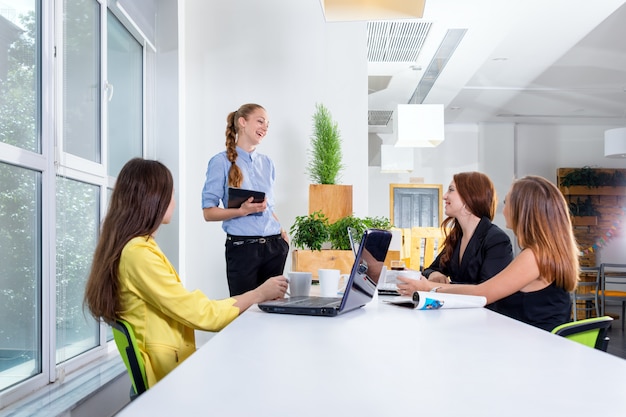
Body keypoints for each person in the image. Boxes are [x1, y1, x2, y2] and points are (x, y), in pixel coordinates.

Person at [84, 158, 288, 388]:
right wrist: (259, 294)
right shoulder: (137, 254)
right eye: (170, 194)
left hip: (175, 364)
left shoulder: (139, 247)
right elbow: (201, 315)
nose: (173, 200)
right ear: (153, 199)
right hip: (170, 379)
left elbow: (189, 306)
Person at [398, 175, 579, 331]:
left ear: (522, 210)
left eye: (507, 202)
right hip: (529, 341)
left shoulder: (534, 256)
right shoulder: (542, 253)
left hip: (533, 348)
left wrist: (429, 289)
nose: (503, 209)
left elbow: (482, 293)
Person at [202, 103, 289, 296]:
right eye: (260, 121)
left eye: (267, 124)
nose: (265, 128)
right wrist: (241, 211)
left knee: (272, 311)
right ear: (242, 122)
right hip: (243, 250)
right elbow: (208, 212)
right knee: (244, 314)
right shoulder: (220, 162)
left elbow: (268, 206)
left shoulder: (267, 163)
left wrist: (281, 230)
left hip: (274, 246)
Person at [422, 172, 513, 286]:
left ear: (469, 197)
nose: (444, 196)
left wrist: (439, 286)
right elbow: (429, 270)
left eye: (451, 190)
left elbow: (487, 290)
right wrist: (434, 274)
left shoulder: (497, 240)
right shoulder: (457, 237)